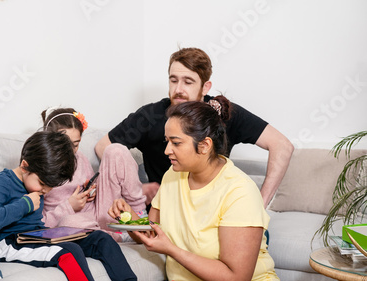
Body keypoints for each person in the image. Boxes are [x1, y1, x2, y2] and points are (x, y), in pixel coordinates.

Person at [109, 98, 288, 281]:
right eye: (167, 142)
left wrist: (172, 250)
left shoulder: (239, 190)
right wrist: (131, 220)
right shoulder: (173, 176)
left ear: (204, 145)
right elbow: (154, 231)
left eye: (176, 143)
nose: (166, 150)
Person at [0, 131, 177, 281]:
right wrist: (25, 204)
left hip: (36, 235)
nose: (45, 191)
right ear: (24, 166)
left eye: (50, 187)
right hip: (10, 242)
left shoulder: (36, 184)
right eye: (43, 185)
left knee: (99, 238)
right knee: (69, 251)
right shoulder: (2, 181)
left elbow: (40, 220)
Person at [95, 47, 294, 208]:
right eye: (173, 80)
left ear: (206, 87)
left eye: (188, 82)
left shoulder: (224, 112)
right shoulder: (150, 116)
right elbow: (105, 147)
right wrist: (136, 188)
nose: (178, 89)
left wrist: (260, 205)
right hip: (166, 212)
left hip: (216, 210)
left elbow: (282, 146)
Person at [41, 107, 147, 242]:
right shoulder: (40, 169)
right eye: (65, 144)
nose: (71, 150)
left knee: (116, 150)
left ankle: (139, 219)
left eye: (76, 144)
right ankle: (119, 236)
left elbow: (93, 186)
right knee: (69, 223)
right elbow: (41, 225)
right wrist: (69, 206)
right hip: (75, 223)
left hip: (101, 214)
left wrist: (92, 190)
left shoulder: (79, 157)